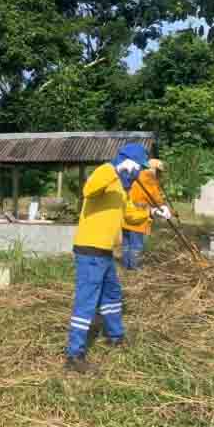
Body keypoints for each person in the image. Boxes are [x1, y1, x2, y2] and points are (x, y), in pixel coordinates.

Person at [65, 144, 151, 374]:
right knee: (87, 302)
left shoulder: (122, 188)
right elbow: (88, 189)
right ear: (127, 161)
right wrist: (115, 169)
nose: (138, 172)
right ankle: (74, 355)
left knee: (111, 295)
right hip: (90, 248)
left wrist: (151, 212)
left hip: (105, 251)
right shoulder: (105, 171)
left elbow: (130, 215)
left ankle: (115, 336)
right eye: (138, 167)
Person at [121, 159, 171, 270]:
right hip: (138, 218)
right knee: (136, 245)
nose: (160, 174)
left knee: (126, 244)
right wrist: (162, 207)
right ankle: (135, 267)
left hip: (126, 216)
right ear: (154, 170)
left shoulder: (135, 178)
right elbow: (155, 198)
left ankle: (126, 266)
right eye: (159, 171)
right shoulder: (149, 180)